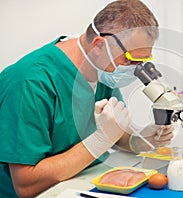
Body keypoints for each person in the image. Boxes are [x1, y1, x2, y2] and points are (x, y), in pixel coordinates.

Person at [0, 0, 174, 197]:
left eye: (142, 62)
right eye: (130, 60)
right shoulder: (30, 82)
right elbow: (25, 185)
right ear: (99, 45)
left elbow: (110, 131)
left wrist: (137, 141)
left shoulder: (102, 69)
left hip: (82, 182)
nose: (134, 69)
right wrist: (99, 141)